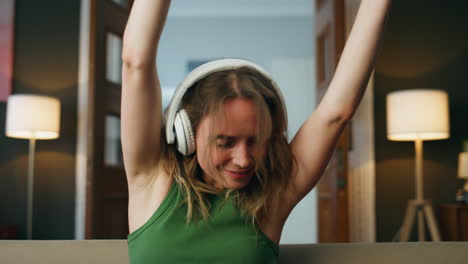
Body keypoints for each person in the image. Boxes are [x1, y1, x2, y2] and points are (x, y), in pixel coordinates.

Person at [121, 0, 391, 263]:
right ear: (186, 135)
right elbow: (136, 62)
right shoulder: (152, 177)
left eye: (255, 140)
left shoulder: (273, 196)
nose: (244, 159)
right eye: (225, 143)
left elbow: (336, 113)